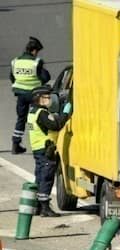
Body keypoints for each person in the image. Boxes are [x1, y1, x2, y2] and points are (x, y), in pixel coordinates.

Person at [28, 85, 72, 217]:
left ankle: (37, 206)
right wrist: (65, 113)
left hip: (38, 149)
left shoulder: (33, 112)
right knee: (46, 178)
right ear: (39, 99)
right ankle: (45, 208)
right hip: (46, 150)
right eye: (46, 97)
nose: (50, 99)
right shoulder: (42, 113)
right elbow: (55, 125)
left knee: (40, 177)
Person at [10, 36, 50, 155]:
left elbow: (12, 77)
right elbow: (45, 77)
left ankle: (16, 144)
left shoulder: (15, 61)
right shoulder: (36, 62)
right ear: (34, 50)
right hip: (34, 94)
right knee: (37, 117)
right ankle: (40, 144)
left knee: (21, 118)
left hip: (21, 94)